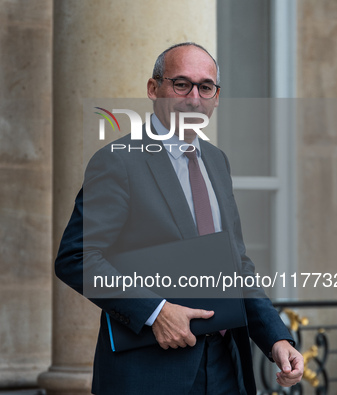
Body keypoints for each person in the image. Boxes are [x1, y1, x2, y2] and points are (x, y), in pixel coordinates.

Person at [54, 42, 304, 394]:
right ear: (153, 89)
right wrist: (156, 311)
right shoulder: (119, 160)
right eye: (181, 84)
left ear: (217, 97)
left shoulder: (217, 162)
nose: (194, 98)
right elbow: (76, 258)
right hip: (149, 372)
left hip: (225, 366)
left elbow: (237, 264)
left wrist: (276, 338)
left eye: (206, 87)